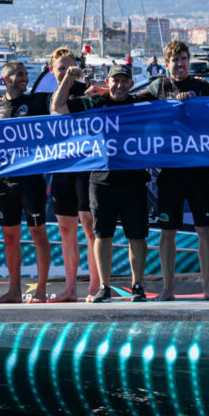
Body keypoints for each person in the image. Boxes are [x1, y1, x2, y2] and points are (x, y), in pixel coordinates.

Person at [53, 64, 153, 303]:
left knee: (136, 236)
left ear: (130, 83)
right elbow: (58, 107)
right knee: (102, 235)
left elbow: (168, 101)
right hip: (101, 180)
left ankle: (137, 286)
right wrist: (68, 77)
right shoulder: (95, 103)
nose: (119, 85)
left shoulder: (140, 104)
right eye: (114, 81)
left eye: (124, 81)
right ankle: (104, 287)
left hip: (133, 179)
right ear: (107, 82)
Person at [136, 40, 209, 301]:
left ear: (189, 60)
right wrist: (103, 92)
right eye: (175, 59)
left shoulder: (202, 87)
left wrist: (196, 106)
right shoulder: (158, 86)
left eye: (184, 58)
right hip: (169, 172)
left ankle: (208, 287)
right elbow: (129, 105)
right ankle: (168, 288)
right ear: (166, 62)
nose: (180, 63)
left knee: (205, 230)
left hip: (198, 169)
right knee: (167, 232)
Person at [0, 61, 53, 303]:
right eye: (20, 74)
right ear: (6, 79)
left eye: (26, 74)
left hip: (31, 180)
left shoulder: (36, 102)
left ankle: (41, 290)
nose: (25, 78)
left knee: (38, 234)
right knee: (10, 237)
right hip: (5, 183)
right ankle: (14, 291)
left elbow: (59, 103)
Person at [44, 47, 101, 302]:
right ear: (51, 70)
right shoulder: (49, 97)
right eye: (61, 69)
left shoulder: (85, 92)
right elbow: (55, 106)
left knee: (89, 226)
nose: (65, 72)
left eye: (70, 67)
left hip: (85, 166)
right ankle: (69, 288)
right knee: (66, 229)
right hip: (61, 168)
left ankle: (94, 285)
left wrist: (82, 81)